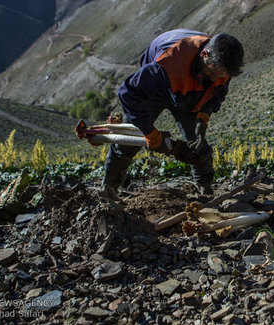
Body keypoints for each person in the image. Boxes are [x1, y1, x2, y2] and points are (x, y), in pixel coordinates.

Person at [100, 28, 244, 200]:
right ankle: (108, 194)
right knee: (125, 143)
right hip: (158, 89)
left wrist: (204, 115)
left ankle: (205, 192)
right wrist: (149, 132)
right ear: (204, 54)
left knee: (198, 146)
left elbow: (218, 91)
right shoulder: (168, 62)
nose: (214, 79)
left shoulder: (223, 63)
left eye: (220, 76)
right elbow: (127, 93)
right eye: (212, 73)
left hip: (188, 92)